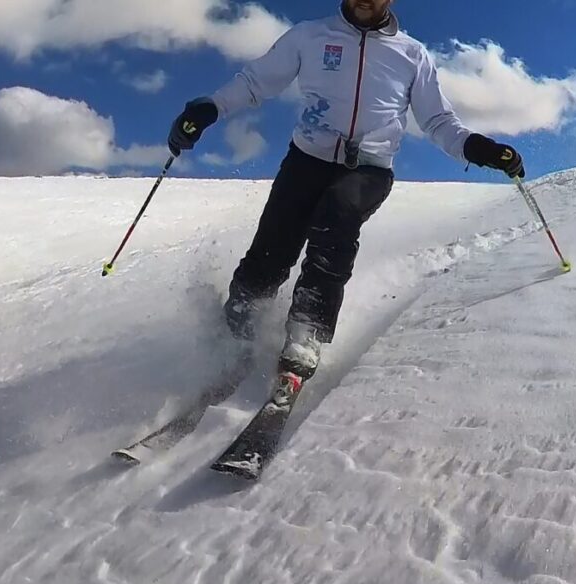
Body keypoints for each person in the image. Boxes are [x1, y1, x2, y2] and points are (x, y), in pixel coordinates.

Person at [167, 0, 525, 390]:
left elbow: (437, 120)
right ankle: (237, 329)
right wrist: (210, 108)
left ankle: (307, 330)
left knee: (338, 215)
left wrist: (477, 148)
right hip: (307, 160)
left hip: (369, 168)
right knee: (272, 250)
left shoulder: (412, 55)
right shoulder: (310, 36)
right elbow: (255, 82)